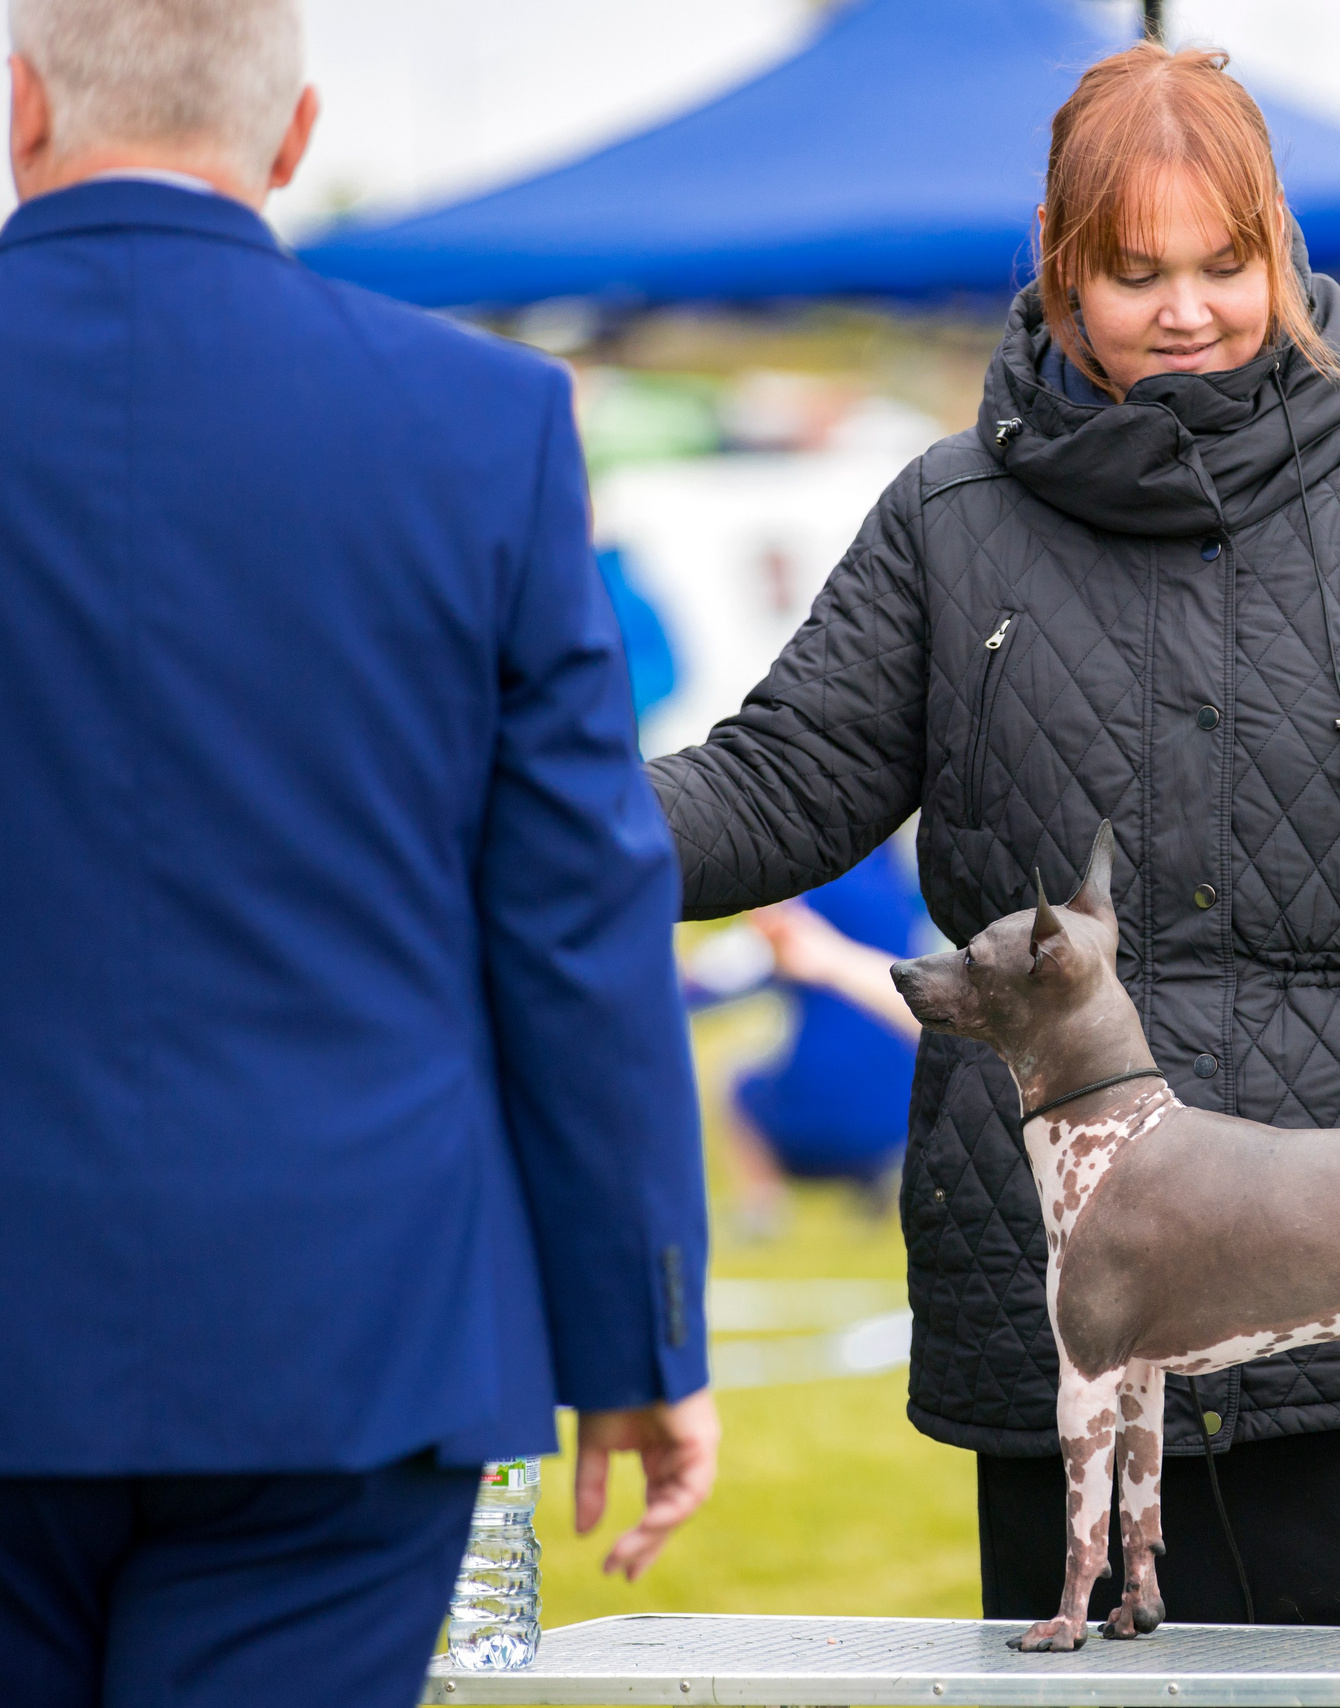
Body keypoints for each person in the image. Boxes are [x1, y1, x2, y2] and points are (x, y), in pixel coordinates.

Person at [647, 43, 1340, 1632]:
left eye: (1226, 263)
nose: (1187, 308)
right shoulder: (942, 523)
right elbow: (776, 780)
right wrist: (563, 831)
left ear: (1285, 254)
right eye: (1134, 273)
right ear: (1058, 273)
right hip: (1074, 1320)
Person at [0, 5, 719, 1703]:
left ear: (20, 105)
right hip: (352, 1321)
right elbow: (575, 917)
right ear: (297, 136)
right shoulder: (480, 425)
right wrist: (637, 1334)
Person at [723, 842, 929, 1234]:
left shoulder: (813, 887)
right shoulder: (905, 888)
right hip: (899, 1119)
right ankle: (875, 1184)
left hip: (814, 1114)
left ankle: (762, 1209)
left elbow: (750, 967)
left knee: (736, 1081)